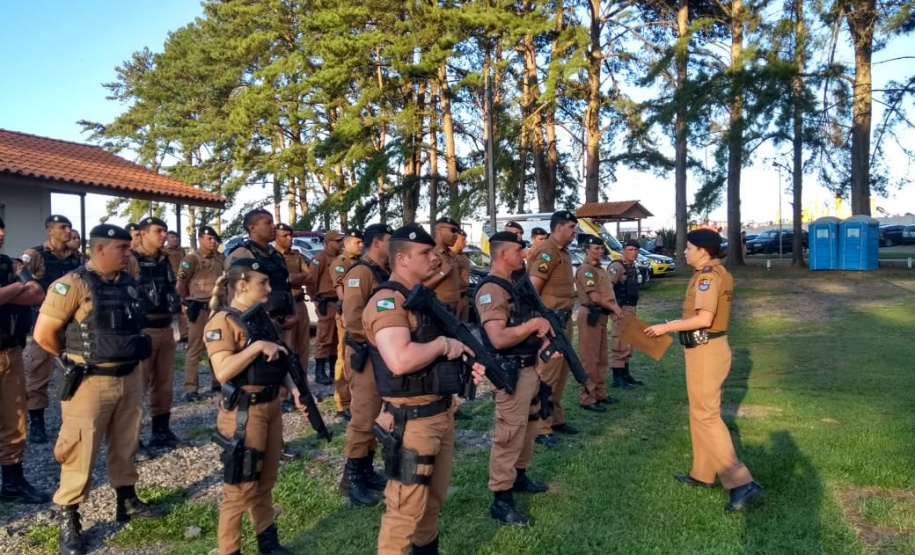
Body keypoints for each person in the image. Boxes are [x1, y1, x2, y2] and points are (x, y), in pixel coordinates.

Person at [32, 224, 160, 555]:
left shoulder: (128, 283)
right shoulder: (72, 285)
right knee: (79, 447)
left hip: (128, 377)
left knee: (126, 441)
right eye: (122, 248)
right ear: (100, 249)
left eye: (129, 248)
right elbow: (44, 333)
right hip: (89, 380)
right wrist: (70, 358)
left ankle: (126, 499)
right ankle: (70, 516)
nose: (128, 253)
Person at [365, 224, 483, 555]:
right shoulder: (387, 302)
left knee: (431, 502)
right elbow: (400, 360)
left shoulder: (421, 299)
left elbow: (433, 351)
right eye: (425, 253)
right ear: (402, 259)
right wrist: (444, 345)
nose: (434, 258)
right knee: (405, 511)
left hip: (439, 413)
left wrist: (463, 364)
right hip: (410, 422)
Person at [644, 229, 762, 512]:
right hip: (706, 348)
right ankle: (703, 473)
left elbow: (704, 318)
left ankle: (741, 482)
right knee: (700, 413)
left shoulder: (708, 277)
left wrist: (666, 327)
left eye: (688, 247)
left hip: (706, 351)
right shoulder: (716, 272)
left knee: (706, 416)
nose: (684, 251)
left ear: (703, 251)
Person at [205, 258, 309, 555]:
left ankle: (268, 542)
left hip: (271, 406)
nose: (269, 288)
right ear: (241, 286)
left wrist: (294, 389)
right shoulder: (222, 322)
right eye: (262, 283)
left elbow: (278, 360)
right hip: (244, 413)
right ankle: (229, 550)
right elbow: (222, 371)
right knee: (240, 488)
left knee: (265, 482)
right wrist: (257, 347)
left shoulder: (260, 318)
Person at [475, 232, 552, 526]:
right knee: (509, 435)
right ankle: (501, 499)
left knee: (529, 428)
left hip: (529, 368)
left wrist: (542, 339)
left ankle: (519, 476)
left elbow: (521, 324)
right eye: (519, 250)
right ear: (503, 254)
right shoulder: (492, 290)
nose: (524, 254)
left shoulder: (515, 286)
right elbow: (497, 337)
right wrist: (533, 325)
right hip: (510, 372)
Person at [340, 223, 393, 507]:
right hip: (364, 352)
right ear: (376, 243)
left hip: (378, 353)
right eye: (389, 240)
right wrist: (382, 337)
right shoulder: (360, 273)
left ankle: (366, 469)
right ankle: (352, 478)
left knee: (375, 412)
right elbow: (352, 319)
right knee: (363, 415)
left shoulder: (382, 271)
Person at [0, 217, 50, 504]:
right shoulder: (15, 271)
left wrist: (10, 291)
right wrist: (18, 288)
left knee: (14, 421)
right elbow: (26, 290)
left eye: (2, 228)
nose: (1, 234)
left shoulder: (10, 265)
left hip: (11, 351)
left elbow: (37, 293)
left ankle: (12, 483)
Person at [21, 214, 82, 444]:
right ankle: (37, 423)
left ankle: (74, 419)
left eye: (69, 227)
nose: (68, 231)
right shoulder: (35, 254)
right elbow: (22, 279)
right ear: (50, 231)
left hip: (72, 325)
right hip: (45, 323)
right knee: (38, 373)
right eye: (63, 227)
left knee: (75, 370)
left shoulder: (76, 258)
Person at [127, 217, 183, 455]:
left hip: (165, 327)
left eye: (165, 231)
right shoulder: (131, 259)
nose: (163, 235)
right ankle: (131, 440)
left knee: (164, 384)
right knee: (137, 386)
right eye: (158, 231)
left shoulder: (164, 259)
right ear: (142, 234)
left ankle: (161, 431)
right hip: (143, 329)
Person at [527, 210, 579, 447]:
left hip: (564, 320)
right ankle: (541, 427)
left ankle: (555, 419)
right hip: (551, 323)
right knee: (547, 375)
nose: (574, 231)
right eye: (571, 227)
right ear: (558, 228)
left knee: (561, 373)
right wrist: (542, 324)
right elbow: (533, 290)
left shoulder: (563, 252)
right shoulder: (547, 252)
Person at [176, 226, 225, 402]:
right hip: (199, 309)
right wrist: (186, 302)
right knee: (195, 349)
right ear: (200, 239)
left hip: (215, 310)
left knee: (215, 345)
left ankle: (217, 383)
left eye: (215, 239)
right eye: (209, 238)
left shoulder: (219, 258)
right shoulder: (191, 259)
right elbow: (181, 284)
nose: (213, 242)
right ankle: (191, 388)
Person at [575, 235, 623, 412]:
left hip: (601, 315)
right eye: (596, 248)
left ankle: (600, 393)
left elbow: (607, 293)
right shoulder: (586, 270)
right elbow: (594, 297)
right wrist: (614, 308)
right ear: (587, 250)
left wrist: (612, 309)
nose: (600, 251)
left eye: (602, 248)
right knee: (590, 358)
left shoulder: (600, 269)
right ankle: (587, 397)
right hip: (591, 315)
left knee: (601, 358)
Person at [273, 223, 312, 409]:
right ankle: (283, 396)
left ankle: (302, 391)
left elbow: (310, 276)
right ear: (276, 237)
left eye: (291, 235)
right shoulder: (272, 256)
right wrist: (294, 278)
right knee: (286, 350)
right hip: (285, 307)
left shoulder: (296, 255)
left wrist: (292, 279)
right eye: (285, 236)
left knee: (303, 350)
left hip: (300, 304)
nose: (289, 239)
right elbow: (281, 280)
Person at [331, 229, 364, 420]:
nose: (361, 245)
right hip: (347, 315)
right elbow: (341, 291)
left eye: (362, 242)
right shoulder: (340, 263)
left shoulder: (361, 262)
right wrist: (347, 311)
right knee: (344, 356)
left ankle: (357, 398)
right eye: (357, 242)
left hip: (361, 315)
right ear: (347, 244)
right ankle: (342, 402)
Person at [307, 230, 343, 386]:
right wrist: (316, 300)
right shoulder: (319, 259)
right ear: (328, 243)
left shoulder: (340, 259)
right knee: (324, 338)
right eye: (336, 241)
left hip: (338, 303)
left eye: (340, 241)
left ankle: (335, 370)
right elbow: (311, 282)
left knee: (336, 339)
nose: (340, 243)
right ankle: (320, 372)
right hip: (326, 303)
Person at [607, 239, 644, 390]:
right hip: (621, 309)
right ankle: (618, 378)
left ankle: (626, 375)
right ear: (623, 250)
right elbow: (608, 288)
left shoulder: (631, 266)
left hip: (630, 308)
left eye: (636, 250)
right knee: (619, 342)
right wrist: (614, 308)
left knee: (628, 341)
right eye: (630, 250)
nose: (634, 253)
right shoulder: (617, 266)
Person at [165, 230, 188, 343]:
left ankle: (184, 334)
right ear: (167, 239)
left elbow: (185, 265)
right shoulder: (164, 252)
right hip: (169, 281)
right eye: (172, 237)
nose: (175, 239)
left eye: (176, 237)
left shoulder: (181, 251)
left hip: (181, 280)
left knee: (182, 307)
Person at [449, 228, 470, 322]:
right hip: (454, 298)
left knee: (464, 325)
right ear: (455, 239)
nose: (465, 242)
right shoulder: (447, 256)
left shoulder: (464, 256)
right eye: (463, 239)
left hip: (464, 297)